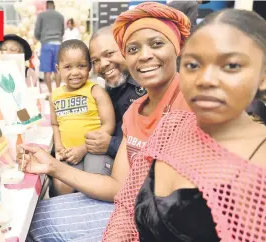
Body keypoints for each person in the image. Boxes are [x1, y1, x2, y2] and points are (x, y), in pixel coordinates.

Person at [19, 3, 191, 241]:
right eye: (133, 49)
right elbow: (118, 187)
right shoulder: (133, 111)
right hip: (130, 209)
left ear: (177, 47)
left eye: (157, 43)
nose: (144, 55)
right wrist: (51, 166)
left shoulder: (194, 102)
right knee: (32, 220)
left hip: (169, 225)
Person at [102, 7, 266, 242]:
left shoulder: (259, 163)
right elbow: (126, 208)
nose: (206, 80)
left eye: (230, 66)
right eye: (193, 65)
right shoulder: (171, 126)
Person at [50, 39, 115, 196]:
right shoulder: (55, 95)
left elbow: (109, 126)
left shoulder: (96, 91)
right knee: (61, 186)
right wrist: (59, 146)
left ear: (89, 67)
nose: (75, 72)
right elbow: (55, 124)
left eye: (81, 66)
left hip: (94, 151)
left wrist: (83, 148)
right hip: (69, 154)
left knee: (95, 182)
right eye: (68, 67)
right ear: (58, 69)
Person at [87, 25, 147, 160]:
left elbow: (156, 149)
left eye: (109, 54)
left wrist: (111, 145)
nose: (102, 64)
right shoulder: (107, 90)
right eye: (95, 61)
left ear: (125, 49)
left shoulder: (148, 89)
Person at [0, 34, 33, 104]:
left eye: (13, 50)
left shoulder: (29, 73)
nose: (7, 53)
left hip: (22, 113)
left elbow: (32, 100)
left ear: (21, 54)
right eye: (3, 50)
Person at [35, 0, 64, 93]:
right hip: (58, 45)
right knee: (58, 69)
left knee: (47, 71)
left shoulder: (41, 16)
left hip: (46, 44)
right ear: (54, 6)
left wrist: (41, 39)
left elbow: (37, 31)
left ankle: (50, 92)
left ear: (46, 6)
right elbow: (62, 31)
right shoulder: (60, 16)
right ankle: (58, 90)